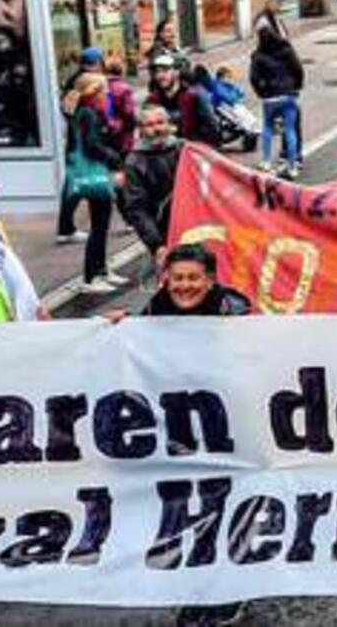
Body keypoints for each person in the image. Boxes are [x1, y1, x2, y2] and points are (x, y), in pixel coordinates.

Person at [103, 242, 254, 627]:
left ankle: (231, 591)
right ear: (167, 277)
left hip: (229, 432)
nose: (184, 285)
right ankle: (198, 588)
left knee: (226, 509)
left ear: (210, 280)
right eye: (178, 277)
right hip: (180, 433)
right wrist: (119, 329)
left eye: (193, 278)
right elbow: (137, 351)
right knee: (187, 510)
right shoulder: (156, 309)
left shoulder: (234, 311)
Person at [60, 73, 127, 293]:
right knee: (99, 226)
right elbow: (91, 145)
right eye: (103, 90)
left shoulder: (80, 111)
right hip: (94, 173)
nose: (107, 94)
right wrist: (114, 158)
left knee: (101, 225)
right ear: (93, 93)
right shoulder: (88, 113)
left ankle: (101, 270)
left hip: (89, 172)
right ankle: (91, 277)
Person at [120, 105, 183, 262]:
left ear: (169, 124)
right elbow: (137, 208)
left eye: (160, 122)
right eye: (149, 125)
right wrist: (156, 244)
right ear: (141, 130)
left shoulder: (185, 149)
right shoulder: (135, 162)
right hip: (164, 233)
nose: (156, 129)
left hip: (194, 227)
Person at [250, 15, 306, 178]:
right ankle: (292, 165)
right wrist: (297, 86)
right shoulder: (286, 49)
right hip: (288, 95)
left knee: (268, 127)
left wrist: (262, 93)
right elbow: (298, 69)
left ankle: (266, 161)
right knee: (290, 129)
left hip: (270, 98)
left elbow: (254, 78)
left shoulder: (258, 55)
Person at [146, 55, 218, 145]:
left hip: (191, 152)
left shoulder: (194, 96)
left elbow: (211, 127)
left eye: (165, 71)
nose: (160, 75)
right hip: (164, 154)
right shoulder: (152, 99)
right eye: (157, 72)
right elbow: (146, 129)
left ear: (177, 72)